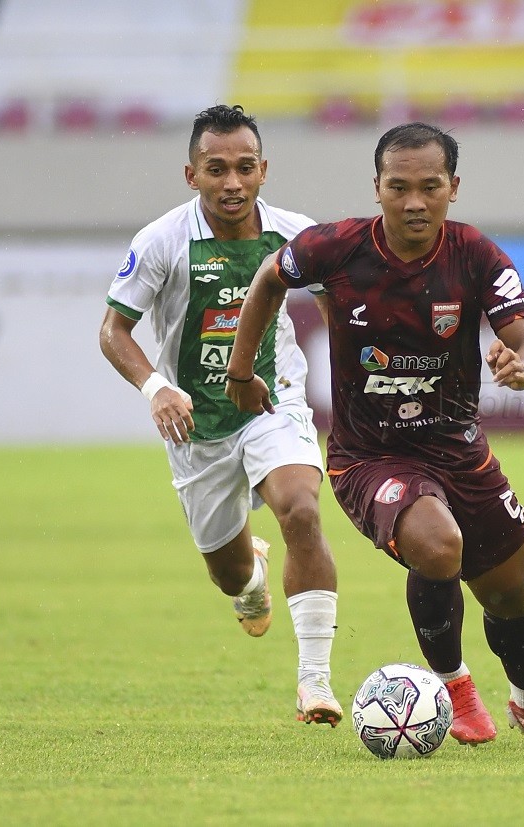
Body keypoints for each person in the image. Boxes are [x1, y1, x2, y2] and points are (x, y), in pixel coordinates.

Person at [225, 122, 524, 745]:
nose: (414, 201)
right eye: (398, 186)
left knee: (507, 590)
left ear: (453, 187)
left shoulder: (475, 256)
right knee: (438, 544)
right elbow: (268, 279)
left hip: (458, 450)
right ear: (377, 188)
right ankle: (453, 685)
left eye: (430, 186)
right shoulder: (333, 248)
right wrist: (240, 368)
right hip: (369, 457)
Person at [99, 104, 343, 727]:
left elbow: (349, 296)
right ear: (191, 175)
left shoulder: (297, 235)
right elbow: (113, 331)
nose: (231, 182)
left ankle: (314, 682)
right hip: (194, 423)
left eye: (244, 168)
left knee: (303, 508)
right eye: (216, 169)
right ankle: (250, 574)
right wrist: (156, 387)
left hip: (273, 397)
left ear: (264, 171)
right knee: (228, 574)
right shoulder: (160, 241)